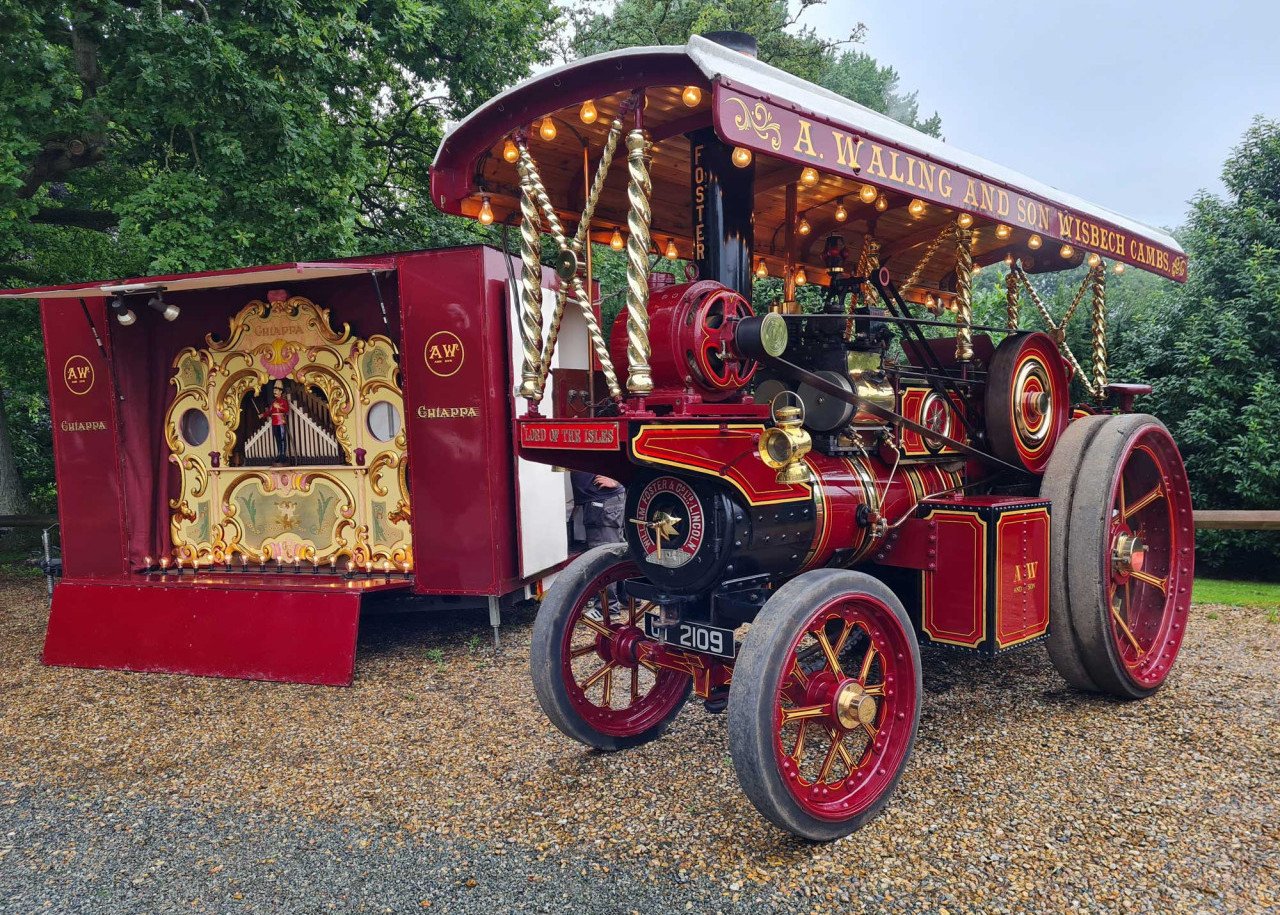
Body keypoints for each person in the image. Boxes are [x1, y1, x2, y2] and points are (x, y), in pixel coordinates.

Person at [571, 470, 626, 620]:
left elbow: (624, 454)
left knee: (603, 555)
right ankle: (627, 597)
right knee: (616, 550)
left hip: (602, 500)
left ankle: (606, 609)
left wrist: (616, 480)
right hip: (601, 500)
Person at [259, 381, 289, 465]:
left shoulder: (284, 401)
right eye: (274, 390)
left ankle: (283, 455)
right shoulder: (273, 402)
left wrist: (279, 407)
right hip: (275, 422)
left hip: (281, 421)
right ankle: (279, 455)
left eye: (276, 390)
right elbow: (270, 411)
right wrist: (263, 415)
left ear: (280, 392)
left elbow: (287, 410)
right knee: (278, 439)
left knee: (282, 439)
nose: (275, 392)